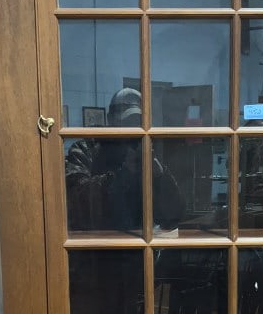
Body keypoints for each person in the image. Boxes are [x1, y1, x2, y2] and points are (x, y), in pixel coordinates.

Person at [65, 88, 184, 232]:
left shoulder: (145, 151)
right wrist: (124, 174)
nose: (132, 128)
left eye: (137, 122)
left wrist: (159, 175)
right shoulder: (86, 147)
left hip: (138, 246)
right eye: (125, 122)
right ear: (110, 119)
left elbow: (173, 215)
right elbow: (78, 203)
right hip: (96, 245)